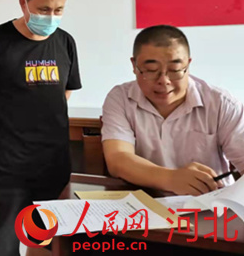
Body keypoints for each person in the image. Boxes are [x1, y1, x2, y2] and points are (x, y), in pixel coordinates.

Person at [0, 0, 81, 256]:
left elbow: (65, 91)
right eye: (43, 9)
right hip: (7, 165)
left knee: (46, 243)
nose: (51, 17)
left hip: (52, 162)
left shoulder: (66, 43)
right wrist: (7, 122)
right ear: (24, 2)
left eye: (59, 10)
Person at [102, 25, 244, 196]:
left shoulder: (221, 104)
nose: (164, 80)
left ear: (188, 64)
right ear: (134, 65)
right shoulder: (121, 99)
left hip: (211, 203)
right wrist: (170, 178)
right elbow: (118, 158)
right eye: (151, 71)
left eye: (175, 70)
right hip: (145, 204)